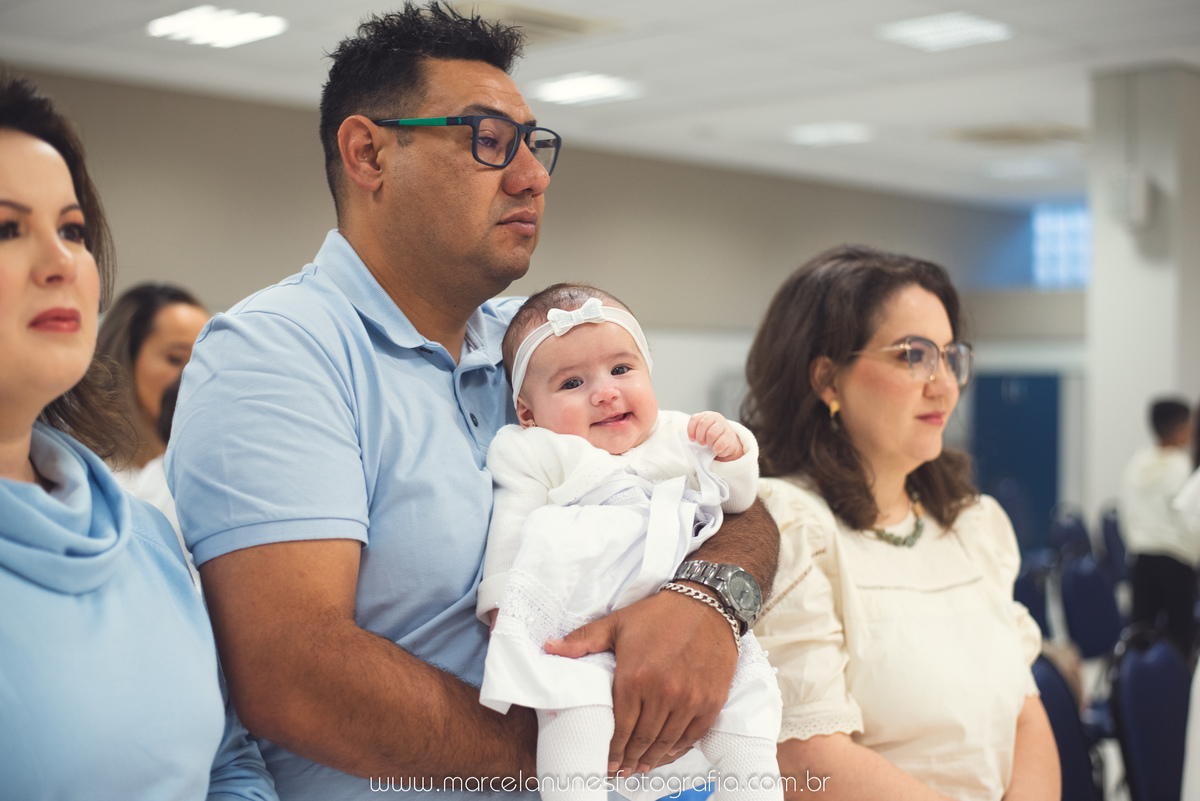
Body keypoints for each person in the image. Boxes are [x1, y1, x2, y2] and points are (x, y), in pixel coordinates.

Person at [165, 5, 779, 800]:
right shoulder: (276, 353)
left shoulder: (538, 348)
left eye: (534, 143)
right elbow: (296, 674)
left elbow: (735, 498)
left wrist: (705, 601)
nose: (532, 175)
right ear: (368, 153)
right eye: (489, 140)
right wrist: (584, 745)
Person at [0, 71, 276, 799]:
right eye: (6, 227)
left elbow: (230, 762)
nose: (60, 262)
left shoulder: (146, 536)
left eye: (72, 230)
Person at [742, 245, 1059, 801]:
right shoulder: (788, 525)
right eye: (914, 356)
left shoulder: (972, 526)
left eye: (949, 355)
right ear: (828, 380)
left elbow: (1026, 713)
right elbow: (807, 757)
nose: (944, 384)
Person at [477, 284, 782, 801]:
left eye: (622, 370)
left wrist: (731, 452)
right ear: (528, 412)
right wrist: (506, 603)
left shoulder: (677, 435)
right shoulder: (534, 450)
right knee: (573, 719)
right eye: (573, 382)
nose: (605, 392)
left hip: (686, 621)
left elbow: (738, 499)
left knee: (746, 719)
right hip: (578, 621)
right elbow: (512, 521)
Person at [97, 282, 208, 471]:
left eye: (206, 359)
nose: (198, 374)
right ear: (124, 363)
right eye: (176, 358)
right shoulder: (87, 479)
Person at [1120, 398, 1200, 655]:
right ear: (1181, 430)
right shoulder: (1184, 468)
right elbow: (1191, 521)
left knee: (1141, 636)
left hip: (1141, 558)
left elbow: (1127, 513)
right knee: (1180, 639)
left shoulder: (1136, 464)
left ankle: (1139, 689)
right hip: (1176, 562)